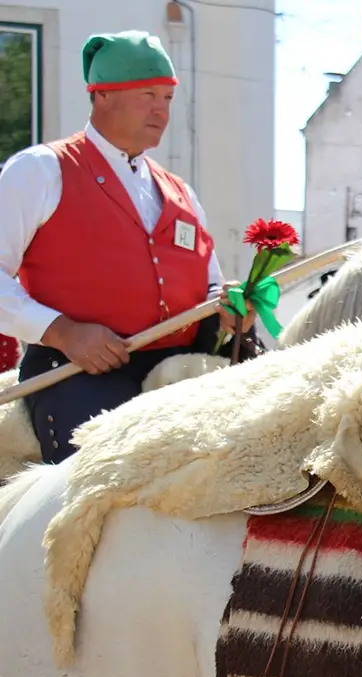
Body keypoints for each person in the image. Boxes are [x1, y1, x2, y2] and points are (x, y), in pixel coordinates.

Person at [0, 30, 256, 465]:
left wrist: (229, 305)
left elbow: (210, 286)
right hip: (78, 370)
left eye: (168, 98)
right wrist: (64, 332)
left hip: (184, 364)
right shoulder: (40, 170)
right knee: (104, 483)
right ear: (102, 96)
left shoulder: (180, 192)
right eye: (147, 95)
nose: (161, 109)